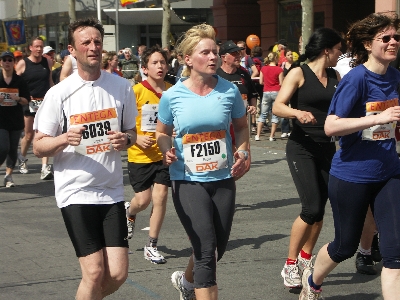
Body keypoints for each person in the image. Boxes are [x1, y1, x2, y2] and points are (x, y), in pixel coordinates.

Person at [32, 18, 138, 299]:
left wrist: (124, 140)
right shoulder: (59, 94)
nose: (93, 47)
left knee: (116, 274)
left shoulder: (121, 87)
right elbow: (38, 146)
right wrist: (65, 138)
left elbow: (132, 133)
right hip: (75, 191)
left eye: (97, 42)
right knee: (93, 273)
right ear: (72, 50)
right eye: (86, 43)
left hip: (111, 190)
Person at [299, 13, 400, 299]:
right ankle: (314, 280)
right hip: (352, 175)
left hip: (389, 172)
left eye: (396, 38)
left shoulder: (395, 77)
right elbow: (332, 126)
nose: (393, 42)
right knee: (345, 246)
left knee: (395, 253)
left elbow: (391, 123)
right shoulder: (356, 80)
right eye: (386, 38)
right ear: (368, 44)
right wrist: (376, 118)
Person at [156, 24, 249, 300]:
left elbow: (242, 127)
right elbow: (162, 133)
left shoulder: (229, 91)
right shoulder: (172, 96)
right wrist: (166, 149)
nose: (213, 58)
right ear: (187, 59)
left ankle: (187, 282)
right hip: (187, 180)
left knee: (215, 247)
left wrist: (244, 152)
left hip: (222, 178)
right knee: (206, 249)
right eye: (206, 52)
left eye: (216, 53)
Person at [272, 27, 342, 290]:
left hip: (327, 147)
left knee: (321, 207)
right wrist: (297, 113)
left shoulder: (335, 75)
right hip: (302, 147)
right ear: (327, 49)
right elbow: (279, 105)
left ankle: (305, 258)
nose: (339, 54)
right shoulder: (299, 72)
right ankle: (290, 263)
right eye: (338, 50)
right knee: (310, 207)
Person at [124, 46, 172, 265]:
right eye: (155, 63)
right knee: (143, 201)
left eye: (163, 62)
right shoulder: (135, 92)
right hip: (139, 155)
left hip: (164, 154)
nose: (160, 66)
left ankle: (151, 245)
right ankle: (129, 211)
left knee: (160, 197)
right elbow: (123, 125)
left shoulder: (173, 91)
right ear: (144, 68)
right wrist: (135, 139)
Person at [15, 36, 54, 180]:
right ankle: (22, 158)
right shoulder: (23, 63)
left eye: (41, 46)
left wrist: (53, 95)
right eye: (36, 46)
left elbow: (50, 80)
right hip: (29, 103)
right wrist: (22, 96)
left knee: (44, 134)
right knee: (29, 135)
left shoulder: (47, 61)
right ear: (30, 48)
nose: (39, 49)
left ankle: (45, 167)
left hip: (44, 102)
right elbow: (15, 81)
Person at [0, 51, 30, 187]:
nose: (7, 62)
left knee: (12, 149)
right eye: (4, 60)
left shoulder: (19, 81)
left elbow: (26, 100)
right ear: (1, 62)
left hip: (15, 119)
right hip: (1, 120)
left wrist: (17, 98)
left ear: (14, 63)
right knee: (3, 147)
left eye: (10, 60)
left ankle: (9, 176)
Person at [216, 40, 257, 115]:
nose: (238, 56)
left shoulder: (244, 74)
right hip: (222, 121)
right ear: (224, 57)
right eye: (234, 54)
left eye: (239, 53)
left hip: (241, 120)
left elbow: (252, 94)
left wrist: (253, 106)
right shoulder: (216, 75)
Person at [255, 52, 283, 141]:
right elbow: (281, 83)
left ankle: (258, 135)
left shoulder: (263, 68)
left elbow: (260, 82)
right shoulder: (279, 69)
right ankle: (272, 136)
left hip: (266, 91)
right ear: (276, 59)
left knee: (263, 114)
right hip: (276, 91)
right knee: (275, 115)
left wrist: (266, 84)